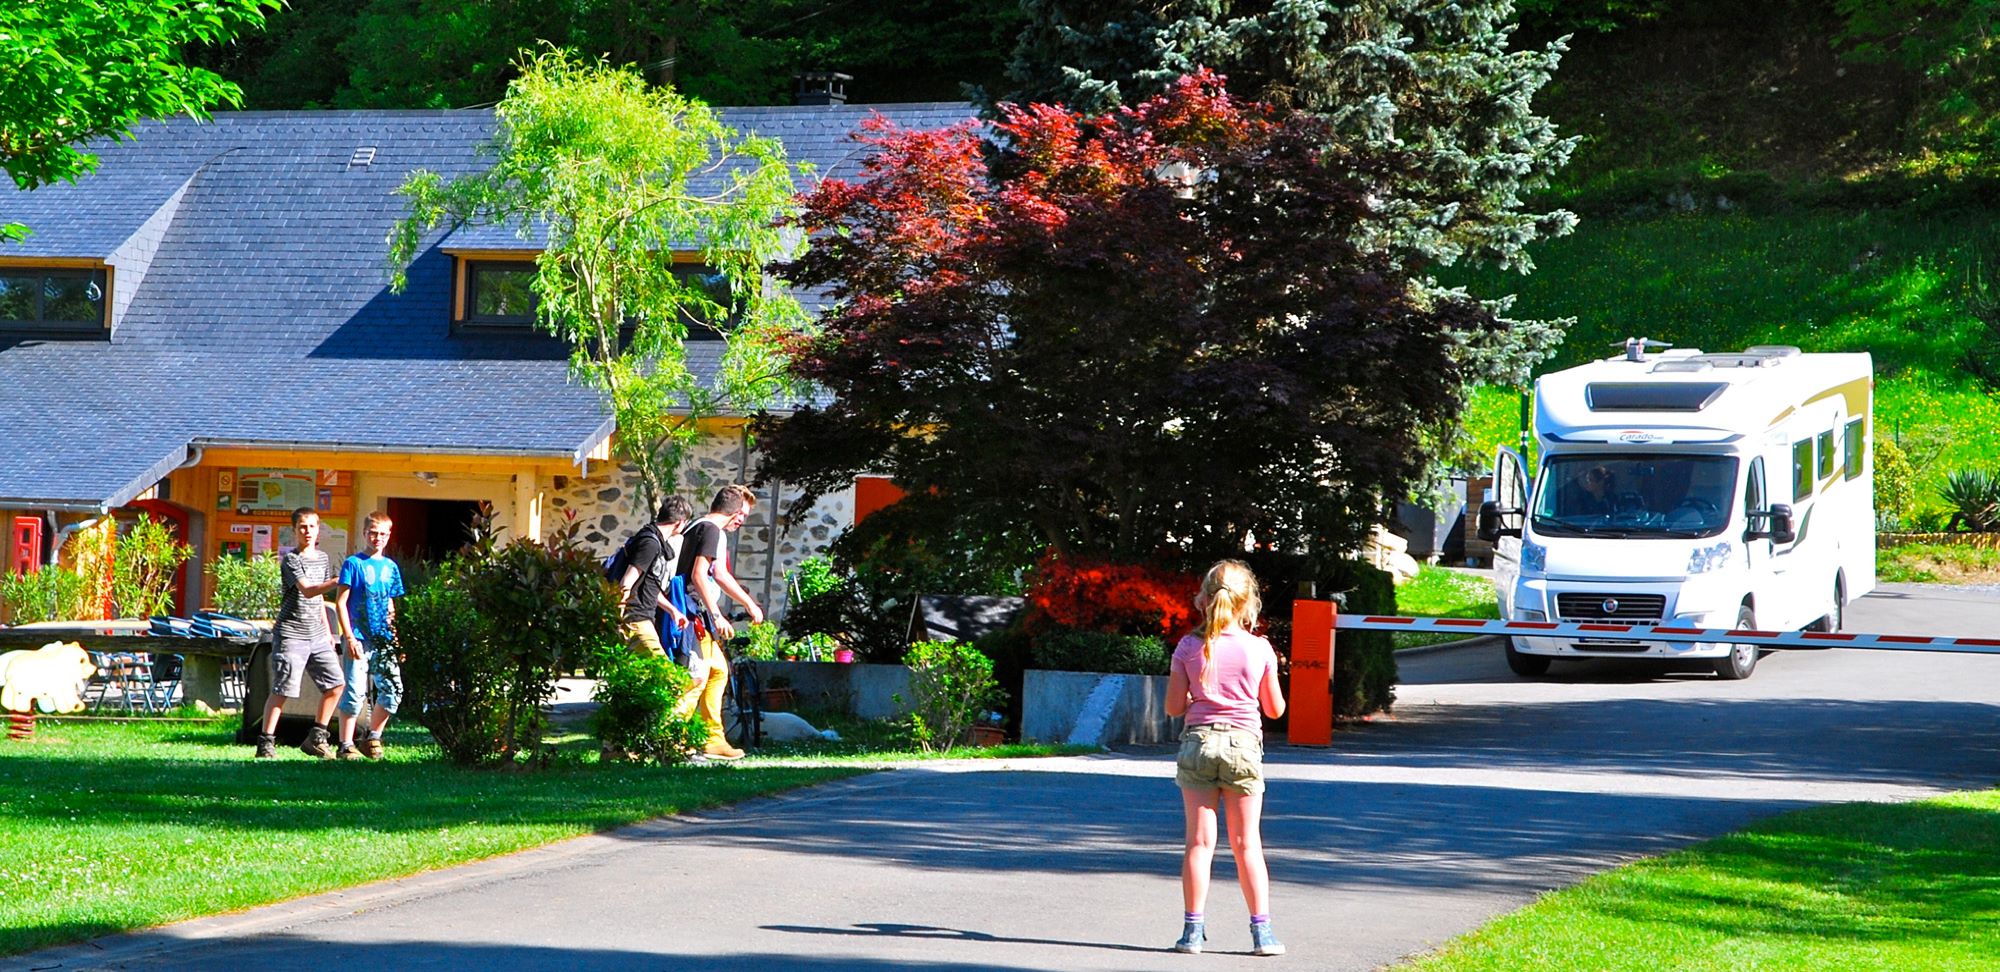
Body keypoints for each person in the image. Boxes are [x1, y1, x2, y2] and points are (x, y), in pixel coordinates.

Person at [1165, 559, 1287, 957]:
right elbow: (1274, 710)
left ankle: (1191, 933)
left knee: (1199, 844)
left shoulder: (1188, 646)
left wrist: (1198, 694)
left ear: (1203, 599)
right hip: (1243, 747)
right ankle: (1262, 933)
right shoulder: (1260, 648)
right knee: (1246, 844)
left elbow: (1172, 708)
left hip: (1198, 745)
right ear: (1248, 602)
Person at [674, 483, 764, 760]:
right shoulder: (713, 530)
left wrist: (747, 602)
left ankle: (710, 738)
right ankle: (676, 739)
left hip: (693, 609)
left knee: (717, 671)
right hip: (693, 611)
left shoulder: (696, 526)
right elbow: (702, 575)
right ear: (734, 512)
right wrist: (716, 613)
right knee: (697, 677)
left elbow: (721, 575)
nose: (742, 521)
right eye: (743, 516)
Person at [255, 508, 346, 760]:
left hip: (317, 634)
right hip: (291, 633)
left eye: (312, 526)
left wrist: (328, 631)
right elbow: (307, 590)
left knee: (336, 685)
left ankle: (316, 738)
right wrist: (340, 580)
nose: (307, 531)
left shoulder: (323, 558)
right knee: (283, 689)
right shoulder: (291, 560)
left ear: (319, 530)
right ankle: (265, 744)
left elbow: (319, 601)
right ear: (295, 531)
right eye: (302, 527)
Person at [333, 511, 405, 760]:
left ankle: (373, 736)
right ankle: (345, 744)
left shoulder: (391, 567)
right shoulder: (354, 564)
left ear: (389, 536)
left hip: (383, 638)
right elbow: (341, 602)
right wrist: (349, 637)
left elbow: (390, 606)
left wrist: (395, 638)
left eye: (383, 534)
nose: (378, 538)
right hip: (358, 637)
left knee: (393, 689)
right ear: (365, 533)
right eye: (373, 533)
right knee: (355, 691)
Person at [614, 497, 696, 661]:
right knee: (669, 677)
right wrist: (617, 619)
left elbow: (648, 585)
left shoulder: (655, 541)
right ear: (680, 522)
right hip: (636, 619)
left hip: (643, 619)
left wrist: (673, 611)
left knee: (644, 678)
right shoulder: (650, 543)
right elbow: (627, 581)